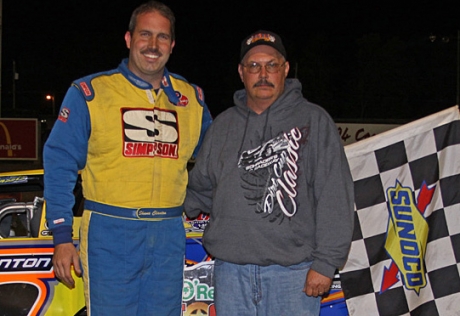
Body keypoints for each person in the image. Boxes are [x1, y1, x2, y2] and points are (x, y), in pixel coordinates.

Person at [43, 1, 212, 315]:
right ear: (128, 39)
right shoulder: (90, 92)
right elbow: (59, 161)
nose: (152, 44)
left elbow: (217, 163)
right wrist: (61, 236)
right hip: (109, 231)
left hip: (168, 233)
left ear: (172, 45)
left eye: (162, 37)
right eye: (145, 34)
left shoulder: (193, 100)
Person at [185, 30, 354, 316]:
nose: (262, 74)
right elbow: (198, 190)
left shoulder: (314, 120)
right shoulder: (223, 126)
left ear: (285, 69)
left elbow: (334, 196)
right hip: (231, 274)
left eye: (271, 65)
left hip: (293, 276)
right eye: (253, 66)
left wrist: (326, 263)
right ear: (241, 72)